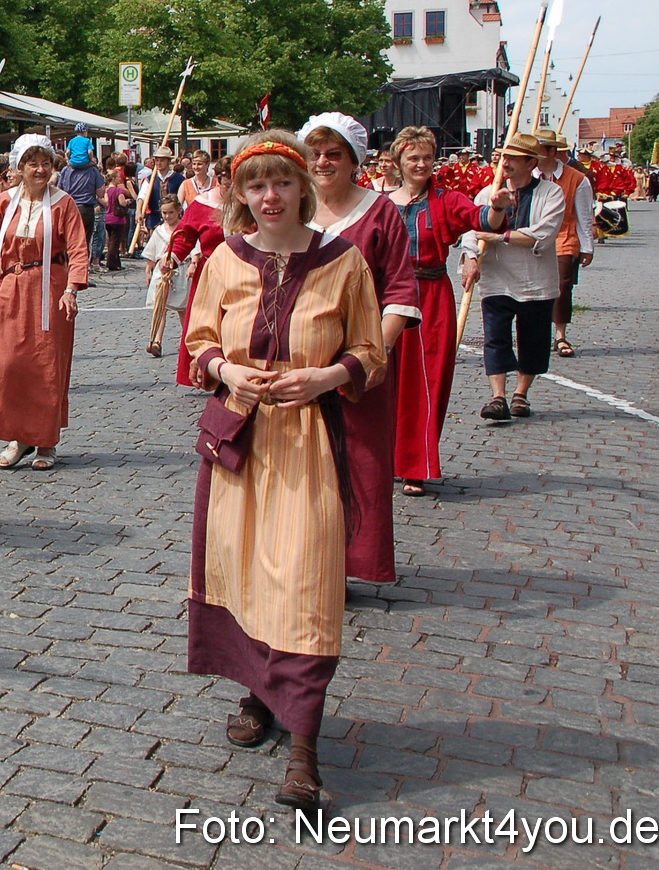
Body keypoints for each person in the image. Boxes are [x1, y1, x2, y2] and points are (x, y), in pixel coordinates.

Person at [183, 131, 385, 812]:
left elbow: (370, 349)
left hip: (306, 445)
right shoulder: (223, 259)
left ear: (305, 188)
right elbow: (200, 341)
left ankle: (304, 749)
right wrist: (227, 368)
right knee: (240, 572)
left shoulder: (343, 261)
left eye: (282, 182)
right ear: (241, 195)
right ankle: (255, 692)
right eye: (256, 185)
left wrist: (328, 375)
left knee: (305, 580)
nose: (270, 196)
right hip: (240, 443)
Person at [300, 113, 420, 585]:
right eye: (315, 153)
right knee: (299, 463)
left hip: (355, 363)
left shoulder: (380, 211)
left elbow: (399, 291)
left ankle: (348, 566)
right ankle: (302, 561)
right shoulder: (293, 207)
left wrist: (372, 354)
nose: (323, 162)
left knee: (359, 463)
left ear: (354, 160)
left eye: (334, 154)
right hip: (296, 358)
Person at [385, 127, 508, 490]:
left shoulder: (446, 200)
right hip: (386, 295)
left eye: (427, 157)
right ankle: (382, 457)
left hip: (430, 297)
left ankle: (416, 465)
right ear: (399, 162)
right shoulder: (380, 202)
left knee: (426, 381)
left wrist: (498, 207)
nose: (421, 164)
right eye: (413, 158)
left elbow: (482, 220)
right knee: (382, 378)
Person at [0, 133, 89, 471]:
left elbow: (78, 248)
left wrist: (72, 289)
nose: (39, 169)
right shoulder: (5, 203)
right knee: (8, 364)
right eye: (32, 163)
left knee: (45, 364)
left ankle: (46, 441)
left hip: (49, 288)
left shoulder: (63, 203)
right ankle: (18, 436)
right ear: (19, 167)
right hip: (10, 289)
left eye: (45, 163)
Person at [473, 134, 564, 423]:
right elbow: (472, 228)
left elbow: (544, 234)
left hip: (535, 280)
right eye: (503, 157)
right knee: (496, 338)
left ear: (531, 163)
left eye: (513, 158)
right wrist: (469, 258)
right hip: (496, 278)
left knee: (534, 340)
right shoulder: (488, 192)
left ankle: (520, 393)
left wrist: (499, 236)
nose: (506, 162)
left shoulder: (551, 193)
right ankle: (498, 397)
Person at [165, 157, 232, 387]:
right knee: (206, 324)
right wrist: (171, 259)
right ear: (219, 179)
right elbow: (184, 236)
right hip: (210, 274)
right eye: (227, 182)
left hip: (247, 272)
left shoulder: (251, 203)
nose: (232, 188)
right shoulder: (203, 204)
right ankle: (206, 372)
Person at [534, 129, 593, 359]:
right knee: (534, 288)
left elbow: (584, 215)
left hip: (565, 238)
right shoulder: (529, 176)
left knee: (562, 285)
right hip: (534, 239)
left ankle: (560, 335)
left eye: (538, 149)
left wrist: (587, 246)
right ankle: (537, 333)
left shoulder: (578, 179)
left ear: (551, 151)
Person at [143, 196, 188, 356]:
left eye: (171, 212)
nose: (167, 216)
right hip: (162, 275)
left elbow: (194, 250)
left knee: (183, 309)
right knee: (160, 307)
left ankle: (187, 342)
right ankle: (157, 341)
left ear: (178, 211)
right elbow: (152, 252)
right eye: (164, 213)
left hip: (180, 272)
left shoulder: (184, 229)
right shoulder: (159, 231)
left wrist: (194, 264)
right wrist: (149, 269)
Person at [55, 140, 103, 276]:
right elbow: (100, 193)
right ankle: (81, 274)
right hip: (86, 209)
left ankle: (66, 272)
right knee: (83, 242)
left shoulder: (66, 170)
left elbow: (59, 190)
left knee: (67, 241)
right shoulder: (93, 170)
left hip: (68, 208)